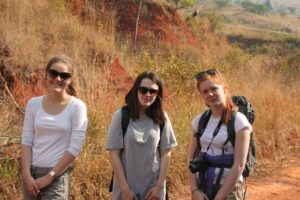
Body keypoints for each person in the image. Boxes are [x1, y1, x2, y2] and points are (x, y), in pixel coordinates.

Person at [21, 55, 88, 200]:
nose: (58, 79)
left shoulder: (77, 107)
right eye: (53, 73)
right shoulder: (33, 104)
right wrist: (26, 175)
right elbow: (26, 141)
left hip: (57, 175)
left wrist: (50, 176)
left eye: (64, 75)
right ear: (46, 74)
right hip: (30, 175)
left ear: (70, 80)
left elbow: (75, 147)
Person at [106, 71, 177, 200]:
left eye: (153, 91)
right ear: (136, 90)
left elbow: (166, 154)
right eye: (143, 90)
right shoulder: (121, 116)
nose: (147, 95)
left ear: (158, 94)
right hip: (126, 188)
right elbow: (114, 154)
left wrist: (159, 187)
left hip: (153, 190)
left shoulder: (162, 118)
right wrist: (124, 189)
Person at [187, 69, 251, 200]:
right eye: (205, 92)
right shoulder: (199, 121)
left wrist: (219, 197)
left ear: (224, 89)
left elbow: (239, 165)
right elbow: (190, 159)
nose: (210, 94)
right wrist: (194, 190)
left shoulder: (239, 121)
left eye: (214, 89)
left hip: (230, 189)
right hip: (203, 185)